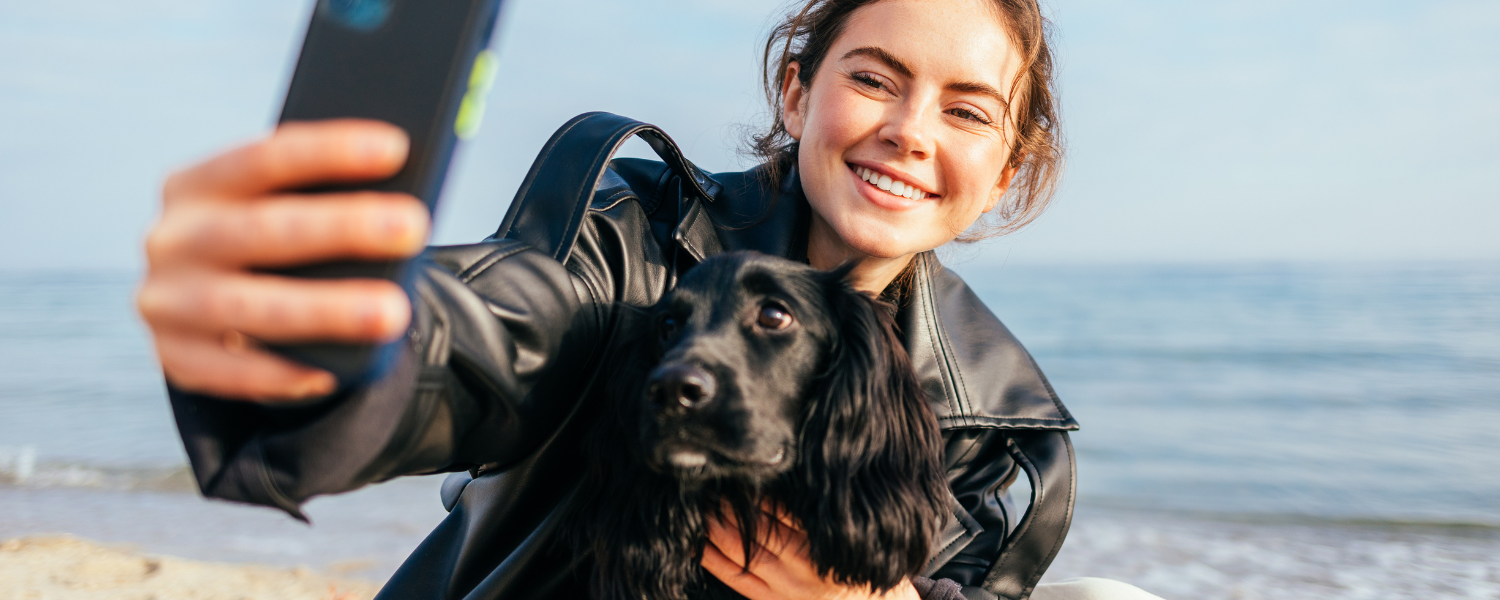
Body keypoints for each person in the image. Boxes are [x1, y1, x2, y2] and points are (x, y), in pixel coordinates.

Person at [137, 0, 1161, 598]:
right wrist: (324, 334)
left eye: (967, 111)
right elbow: (500, 330)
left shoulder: (1004, 433)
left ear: (1010, 164)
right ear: (798, 94)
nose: (912, 130)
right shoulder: (633, 243)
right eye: (875, 79)